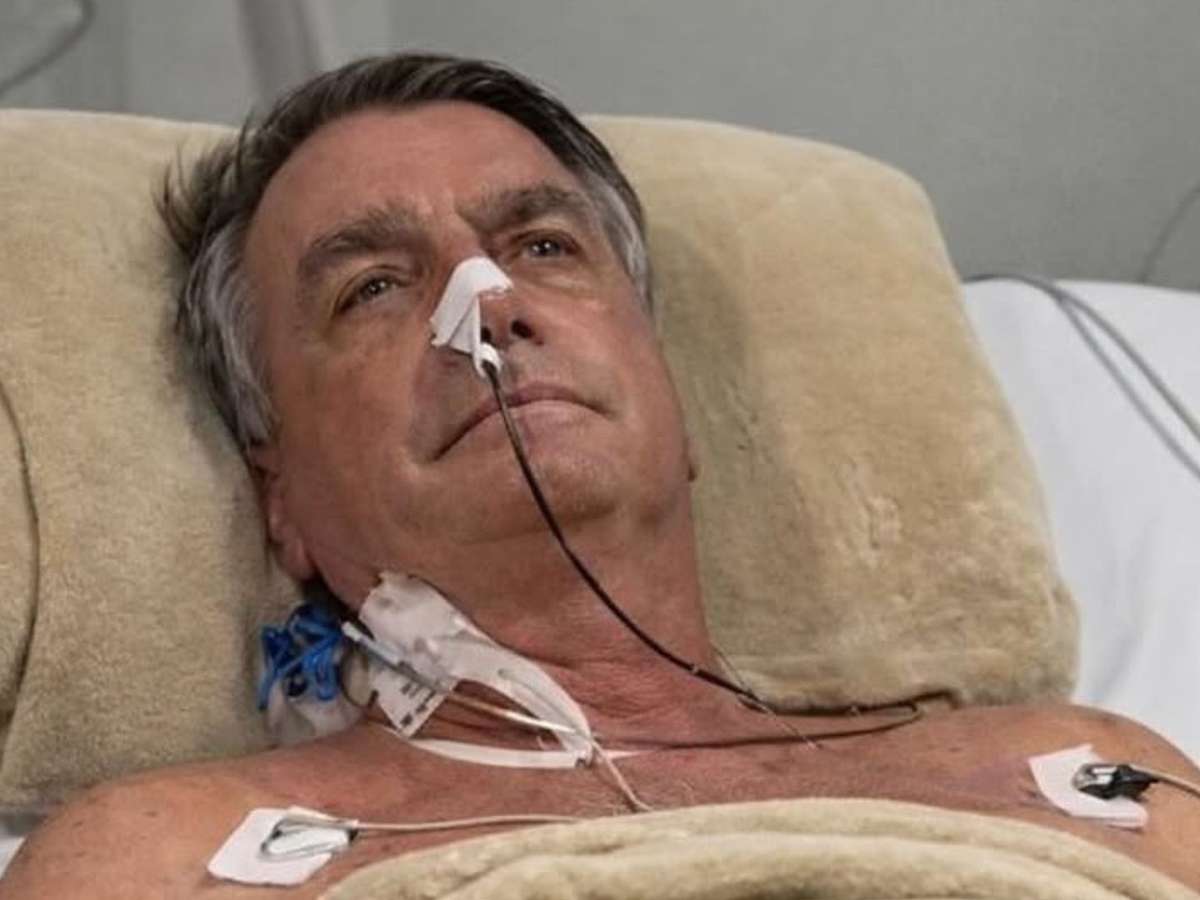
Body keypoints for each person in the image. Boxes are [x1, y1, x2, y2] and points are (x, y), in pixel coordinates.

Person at [2, 53, 1197, 899]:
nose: (488, 306)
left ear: (671, 399)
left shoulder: (1083, 776)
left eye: (542, 245)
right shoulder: (168, 857)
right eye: (372, 287)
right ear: (282, 500)